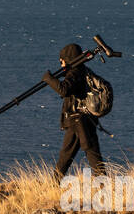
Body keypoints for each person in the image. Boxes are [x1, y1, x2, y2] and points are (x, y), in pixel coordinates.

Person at [41, 42, 106, 178]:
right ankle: (54, 183)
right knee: (67, 153)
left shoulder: (75, 72)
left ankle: (102, 180)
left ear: (68, 59)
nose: (61, 65)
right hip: (82, 118)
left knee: (90, 150)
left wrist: (49, 79)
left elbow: (64, 90)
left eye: (61, 61)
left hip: (79, 117)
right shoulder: (82, 70)